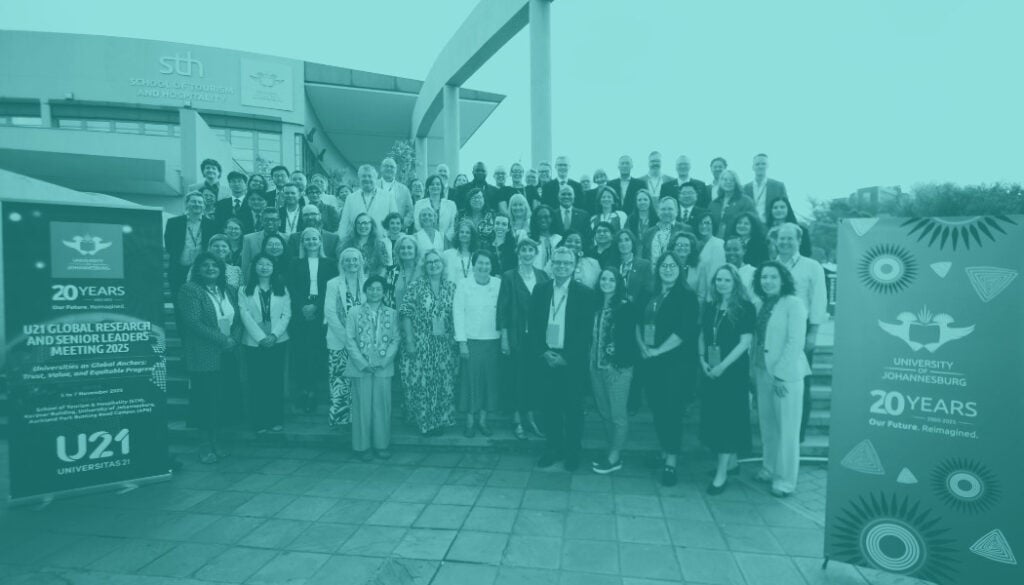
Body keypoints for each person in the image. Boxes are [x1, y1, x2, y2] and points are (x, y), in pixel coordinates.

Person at [530, 247, 597, 470]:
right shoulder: (539, 290)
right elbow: (534, 326)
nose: (561, 266)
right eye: (557, 262)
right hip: (545, 359)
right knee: (549, 407)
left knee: (573, 409)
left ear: (573, 266)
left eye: (566, 263)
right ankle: (553, 448)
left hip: (572, 362)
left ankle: (572, 452)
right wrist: (543, 352)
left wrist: (566, 357)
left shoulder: (585, 294)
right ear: (551, 264)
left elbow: (585, 332)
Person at [637, 251, 699, 486]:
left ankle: (671, 461)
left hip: (675, 364)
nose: (668, 269)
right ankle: (664, 451)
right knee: (657, 409)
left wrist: (657, 350)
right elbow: (637, 322)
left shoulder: (687, 296)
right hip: (650, 361)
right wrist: (643, 346)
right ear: (658, 268)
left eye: (673, 265)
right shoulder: (648, 293)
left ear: (680, 269)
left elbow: (684, 331)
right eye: (664, 265)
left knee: (671, 412)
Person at [751, 261, 810, 497]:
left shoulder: (794, 304)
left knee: (787, 429)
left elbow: (795, 342)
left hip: (786, 377)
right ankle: (769, 467)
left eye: (773, 277)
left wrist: (781, 375)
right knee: (768, 425)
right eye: (764, 277)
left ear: (783, 279)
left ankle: (785, 480)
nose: (768, 281)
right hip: (762, 371)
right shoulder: (761, 304)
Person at [698, 264, 756, 494]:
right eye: (718, 280)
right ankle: (730, 464)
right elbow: (702, 334)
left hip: (732, 373)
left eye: (726, 280)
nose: (721, 284)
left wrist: (722, 366)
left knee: (727, 422)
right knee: (715, 418)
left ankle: (721, 474)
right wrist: (702, 359)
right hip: (711, 370)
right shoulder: (711, 306)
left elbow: (745, 343)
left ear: (735, 283)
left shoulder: (745, 308)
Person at [177, 252, 238, 464]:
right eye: (205, 265)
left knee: (220, 399)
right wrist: (223, 340)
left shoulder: (228, 289)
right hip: (204, 353)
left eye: (215, 265)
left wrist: (233, 340)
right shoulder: (190, 290)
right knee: (205, 400)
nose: (211, 268)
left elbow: (238, 318)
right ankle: (204, 444)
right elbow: (193, 323)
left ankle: (217, 441)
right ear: (198, 269)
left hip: (227, 353)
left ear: (221, 270)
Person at [774, 223, 828, 442]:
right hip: (774, 332)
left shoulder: (811, 266)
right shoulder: (771, 266)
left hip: (801, 331)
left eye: (790, 238)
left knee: (800, 382)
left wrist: (813, 333)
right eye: (781, 238)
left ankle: (798, 435)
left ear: (798, 241)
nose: (785, 242)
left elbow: (818, 301)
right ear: (776, 241)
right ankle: (779, 430)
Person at [399, 249, 459, 436]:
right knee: (422, 383)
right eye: (430, 262)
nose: (433, 265)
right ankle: (425, 421)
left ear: (443, 265)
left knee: (443, 382)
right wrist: (409, 341)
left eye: (437, 262)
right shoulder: (416, 286)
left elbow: (457, 315)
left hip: (445, 344)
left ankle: (440, 420)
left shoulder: (451, 287)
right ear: (425, 266)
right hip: (420, 341)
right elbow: (405, 314)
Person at [498, 239, 549, 440]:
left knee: (534, 378)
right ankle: (517, 419)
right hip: (516, 337)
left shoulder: (543, 276)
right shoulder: (509, 276)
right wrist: (504, 337)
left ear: (535, 253)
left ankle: (531, 418)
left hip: (537, 339)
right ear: (518, 252)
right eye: (524, 250)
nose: (527, 253)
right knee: (516, 378)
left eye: (531, 250)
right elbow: (502, 308)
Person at [345, 275, 400, 461]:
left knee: (382, 406)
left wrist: (384, 361)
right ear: (365, 290)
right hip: (360, 367)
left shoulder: (392, 313)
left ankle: (381, 445)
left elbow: (395, 339)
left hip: (383, 367)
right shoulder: (354, 312)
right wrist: (362, 362)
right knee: (362, 407)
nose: (375, 292)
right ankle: (362, 447)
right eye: (371, 288)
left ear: (384, 292)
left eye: (379, 289)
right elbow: (349, 339)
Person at [590, 268, 639, 475]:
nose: (607, 282)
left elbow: (630, 339)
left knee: (618, 415)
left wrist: (618, 363)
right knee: (604, 412)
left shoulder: (625, 306)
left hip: (617, 369)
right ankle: (612, 449)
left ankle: (615, 456)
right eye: (603, 278)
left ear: (617, 283)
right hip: (595, 367)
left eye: (611, 279)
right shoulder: (594, 305)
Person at [287, 227, 338, 414]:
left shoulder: (330, 263)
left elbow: (330, 289)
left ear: (320, 241)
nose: (311, 242)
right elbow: (291, 287)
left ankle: (313, 391)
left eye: (315, 238)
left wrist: (316, 306)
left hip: (321, 312)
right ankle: (303, 390)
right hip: (300, 311)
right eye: (307, 239)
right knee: (301, 351)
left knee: (316, 351)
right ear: (302, 242)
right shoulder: (294, 263)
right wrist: (303, 306)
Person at [238, 252, 291, 433]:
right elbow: (245, 315)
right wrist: (261, 338)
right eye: (261, 264)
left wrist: (274, 335)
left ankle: (275, 419)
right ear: (254, 267)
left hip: (278, 341)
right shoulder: (244, 289)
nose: (264, 267)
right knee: (257, 382)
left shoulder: (282, 288)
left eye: (268, 264)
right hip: (254, 342)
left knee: (275, 381)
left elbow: (286, 314)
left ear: (273, 267)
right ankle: (259, 422)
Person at [453, 249, 503, 438]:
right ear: (474, 265)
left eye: (487, 263)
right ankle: (469, 421)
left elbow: (503, 312)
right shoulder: (464, 284)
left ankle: (483, 420)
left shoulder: (499, 284)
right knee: (470, 382)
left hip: (492, 341)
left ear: (491, 266)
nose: (483, 267)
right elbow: (458, 312)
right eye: (480, 263)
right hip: (471, 342)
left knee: (489, 382)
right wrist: (462, 342)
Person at [324, 248, 366, 427]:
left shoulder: (367, 282)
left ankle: (360, 417)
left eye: (355, 260)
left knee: (361, 382)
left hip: (364, 342)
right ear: (342, 263)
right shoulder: (333, 283)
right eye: (347, 260)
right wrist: (348, 339)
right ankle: (341, 419)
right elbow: (330, 312)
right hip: (339, 341)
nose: (351, 263)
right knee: (340, 380)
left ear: (360, 262)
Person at [165, 192, 215, 295]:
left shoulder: (211, 225)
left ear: (204, 205)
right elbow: (169, 244)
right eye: (193, 201)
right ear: (187, 204)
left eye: (200, 202)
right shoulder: (174, 223)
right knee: (177, 299)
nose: (197, 204)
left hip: (202, 271)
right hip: (178, 269)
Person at [339, 165, 398, 240]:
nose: (367, 179)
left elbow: (395, 220)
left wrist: (391, 238)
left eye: (370, 176)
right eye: (363, 176)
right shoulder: (350, 198)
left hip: (380, 240)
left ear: (376, 178)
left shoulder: (388, 196)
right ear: (359, 178)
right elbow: (344, 222)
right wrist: (341, 240)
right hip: (356, 241)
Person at [708, 170, 756, 239]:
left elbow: (753, 223)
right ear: (720, 182)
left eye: (732, 180)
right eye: (725, 179)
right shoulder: (714, 203)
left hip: (737, 242)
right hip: (716, 242)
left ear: (736, 183)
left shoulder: (746, 201)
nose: (728, 182)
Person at [693, 209, 727, 301]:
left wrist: (711, 298)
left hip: (710, 297)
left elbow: (716, 274)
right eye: (701, 223)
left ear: (713, 225)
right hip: (695, 294)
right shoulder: (696, 245)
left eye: (707, 223)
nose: (704, 226)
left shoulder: (718, 244)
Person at [341, 212, 391, 277]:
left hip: (372, 282)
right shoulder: (347, 244)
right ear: (355, 226)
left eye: (366, 223)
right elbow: (341, 265)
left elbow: (384, 266)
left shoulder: (379, 245)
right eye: (359, 223)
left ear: (371, 225)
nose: (362, 226)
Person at [413, 174, 458, 242]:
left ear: (442, 187)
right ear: (427, 187)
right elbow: (417, 225)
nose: (435, 186)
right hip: (424, 241)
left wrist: (443, 240)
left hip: (446, 242)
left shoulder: (451, 205)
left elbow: (452, 226)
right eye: (432, 184)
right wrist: (427, 239)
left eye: (438, 184)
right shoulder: (419, 204)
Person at [240, 207, 282, 278]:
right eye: (266, 220)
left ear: (280, 222)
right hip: (256, 281)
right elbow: (245, 266)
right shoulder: (249, 239)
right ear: (261, 221)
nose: (270, 222)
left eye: (274, 220)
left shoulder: (287, 238)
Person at [743, 153, 789, 218]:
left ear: (767, 166)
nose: (760, 166)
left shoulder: (778, 186)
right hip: (752, 225)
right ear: (753, 167)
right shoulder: (745, 188)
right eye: (757, 164)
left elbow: (786, 208)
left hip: (771, 225)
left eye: (763, 164)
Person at [641, 196, 684, 262]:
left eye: (670, 209)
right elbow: (644, 257)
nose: (666, 212)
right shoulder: (648, 233)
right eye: (663, 209)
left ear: (677, 211)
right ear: (658, 211)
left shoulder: (684, 229)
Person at [378, 157, 415, 229]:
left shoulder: (404, 190)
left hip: (397, 230)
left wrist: (402, 225)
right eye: (386, 166)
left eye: (392, 167)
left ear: (396, 170)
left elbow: (410, 211)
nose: (389, 168)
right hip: (376, 228)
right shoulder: (373, 186)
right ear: (381, 168)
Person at [384, 234, 419, 309]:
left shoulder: (424, 271)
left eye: (409, 248)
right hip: (395, 317)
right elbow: (386, 299)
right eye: (402, 248)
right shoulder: (391, 272)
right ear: (398, 251)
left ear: (416, 250)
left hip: (418, 318)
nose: (406, 250)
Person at [528, 205, 562, 270]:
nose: (543, 220)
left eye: (546, 217)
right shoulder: (530, 240)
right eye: (539, 217)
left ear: (552, 218)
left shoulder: (560, 239)